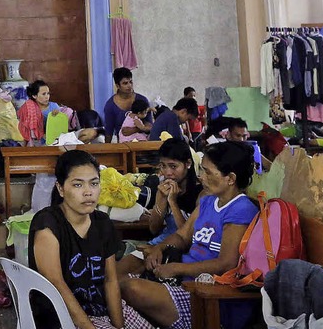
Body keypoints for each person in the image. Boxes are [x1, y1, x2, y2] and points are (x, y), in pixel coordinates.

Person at [119, 141, 258, 329]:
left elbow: (226, 263)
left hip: (209, 294)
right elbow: (182, 236)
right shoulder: (208, 201)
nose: (201, 177)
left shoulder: (240, 209)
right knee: (115, 280)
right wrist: (160, 248)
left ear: (230, 178)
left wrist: (177, 268)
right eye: (202, 170)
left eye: (208, 172)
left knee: (130, 288)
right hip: (184, 282)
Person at [27, 150, 154, 329]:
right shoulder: (48, 224)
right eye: (78, 185)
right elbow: (56, 284)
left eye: (94, 184)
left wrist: (119, 326)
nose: (88, 192)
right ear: (61, 188)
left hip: (100, 309)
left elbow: (110, 280)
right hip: (62, 315)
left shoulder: (103, 223)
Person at [116, 138, 203, 276]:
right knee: (114, 275)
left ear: (188, 164)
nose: (168, 172)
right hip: (157, 244)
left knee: (126, 280)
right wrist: (162, 200)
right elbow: (153, 228)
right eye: (163, 166)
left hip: (180, 250)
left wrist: (173, 202)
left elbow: (187, 237)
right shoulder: (163, 187)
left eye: (173, 166)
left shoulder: (200, 193)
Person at [103, 68, 150, 142]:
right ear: (117, 86)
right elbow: (109, 132)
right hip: (123, 145)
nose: (129, 85)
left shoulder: (142, 100)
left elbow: (150, 125)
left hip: (142, 143)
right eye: (125, 83)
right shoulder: (110, 105)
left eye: (131, 82)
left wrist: (135, 129)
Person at [18, 80, 62, 145]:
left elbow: (60, 126)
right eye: (44, 94)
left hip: (52, 139)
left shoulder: (54, 106)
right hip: (33, 139)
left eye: (48, 93)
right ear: (34, 96)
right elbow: (22, 125)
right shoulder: (28, 108)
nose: (47, 97)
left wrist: (58, 116)